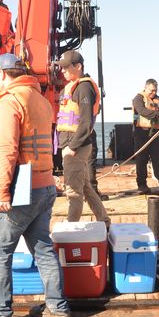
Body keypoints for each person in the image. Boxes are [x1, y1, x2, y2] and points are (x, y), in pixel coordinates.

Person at [0, 54, 71, 317]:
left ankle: (1, 311)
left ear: (2, 75)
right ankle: (58, 307)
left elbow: (7, 149)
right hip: (44, 184)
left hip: (18, 189)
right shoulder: (40, 100)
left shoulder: (9, 101)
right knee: (42, 249)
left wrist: (1, 192)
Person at [55, 50, 110, 227]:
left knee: (73, 191)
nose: (62, 71)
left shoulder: (84, 88)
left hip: (75, 146)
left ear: (78, 66)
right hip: (70, 143)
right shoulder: (71, 87)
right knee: (86, 187)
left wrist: (72, 147)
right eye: (61, 67)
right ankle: (104, 221)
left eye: (66, 67)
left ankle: (71, 227)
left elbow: (86, 122)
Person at [132, 79, 159, 194]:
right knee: (141, 160)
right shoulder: (138, 98)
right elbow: (141, 110)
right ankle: (142, 185)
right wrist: (158, 113)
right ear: (145, 88)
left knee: (157, 159)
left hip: (156, 134)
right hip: (141, 133)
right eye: (151, 90)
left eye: (155, 90)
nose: (153, 93)